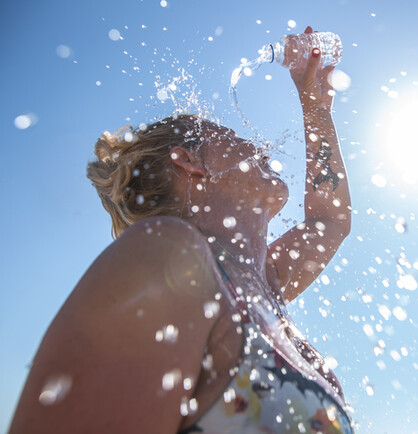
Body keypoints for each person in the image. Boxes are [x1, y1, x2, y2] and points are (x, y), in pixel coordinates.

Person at [9, 26, 353, 433]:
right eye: (233, 137)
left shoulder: (263, 283)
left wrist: (315, 105)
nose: (259, 147)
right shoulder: (171, 260)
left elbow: (329, 222)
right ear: (190, 162)